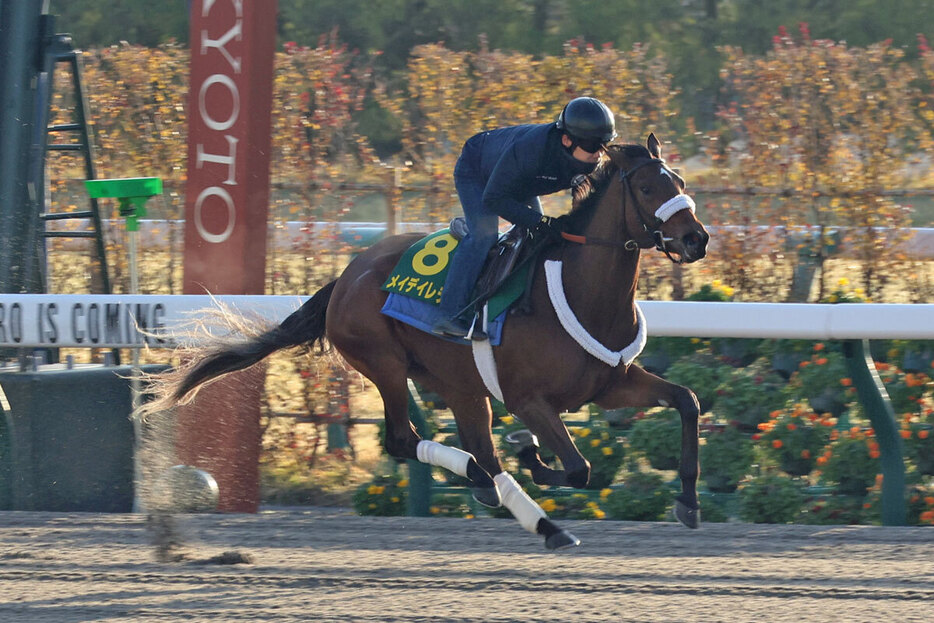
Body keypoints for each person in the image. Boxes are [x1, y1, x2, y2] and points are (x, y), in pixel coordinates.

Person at [431, 96, 617, 339]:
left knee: (535, 236)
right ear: (566, 139)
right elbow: (494, 199)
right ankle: (449, 315)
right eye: (594, 146)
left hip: (519, 181)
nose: (600, 154)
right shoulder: (532, 150)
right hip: (478, 170)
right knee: (485, 236)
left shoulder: (589, 158)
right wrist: (541, 222)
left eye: (605, 146)